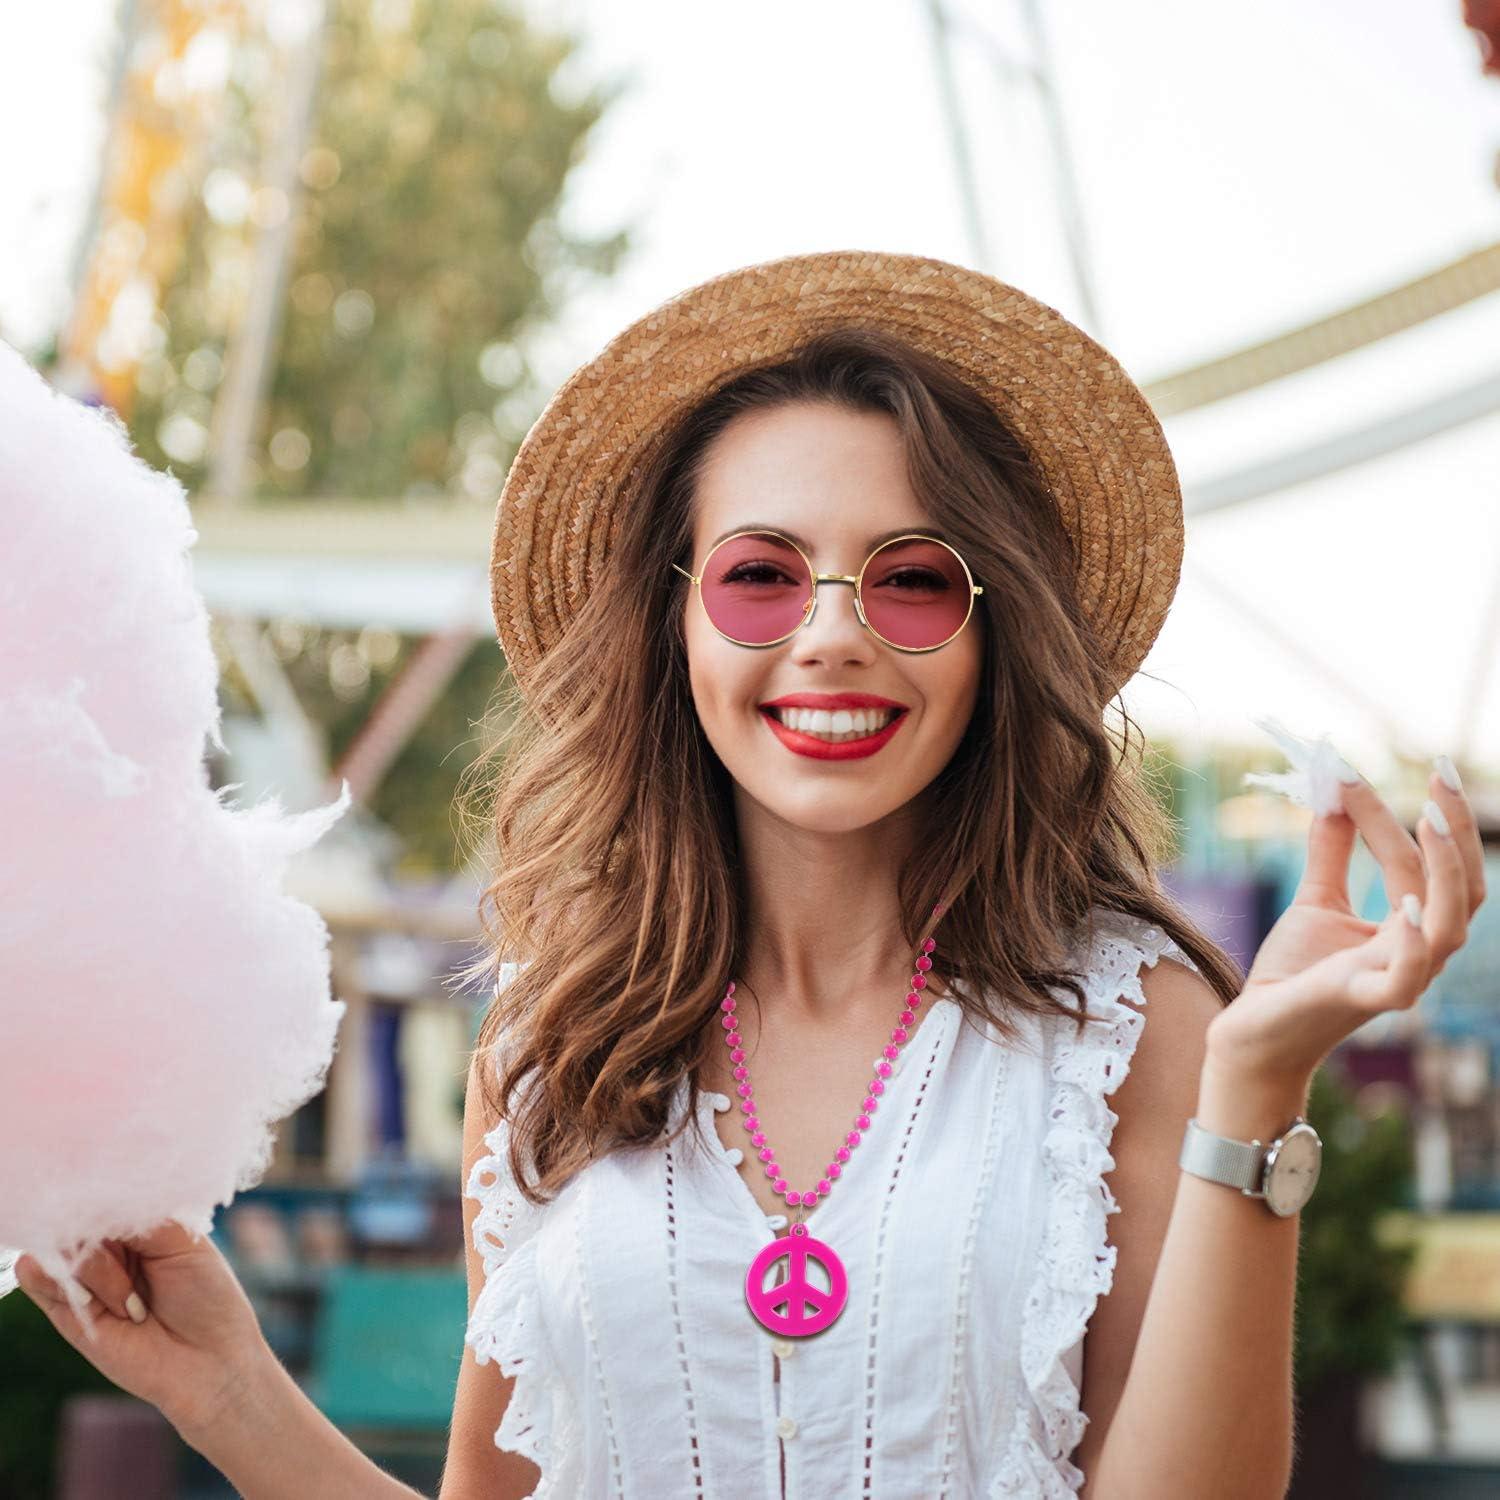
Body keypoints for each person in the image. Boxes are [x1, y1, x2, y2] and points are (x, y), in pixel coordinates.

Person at [15, 250, 1484, 1499]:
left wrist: (1259, 1091)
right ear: (676, 627)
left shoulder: (1136, 1032)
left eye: (912, 577)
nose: (834, 633)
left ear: (992, 640)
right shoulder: (543, 1049)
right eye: (761, 574)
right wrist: (229, 1396)